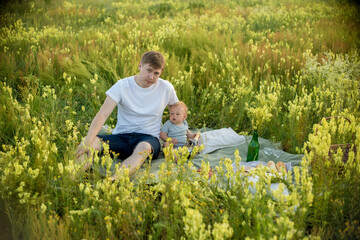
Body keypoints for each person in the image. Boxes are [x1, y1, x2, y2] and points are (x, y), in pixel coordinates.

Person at [76, 51, 178, 180]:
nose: (151, 77)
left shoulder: (166, 88)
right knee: (89, 142)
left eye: (156, 73)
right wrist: (89, 139)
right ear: (140, 66)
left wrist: (175, 140)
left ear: (161, 73)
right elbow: (103, 114)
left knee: (144, 148)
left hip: (148, 139)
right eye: (148, 70)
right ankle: (71, 178)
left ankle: (113, 181)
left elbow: (177, 113)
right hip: (121, 137)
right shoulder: (122, 85)